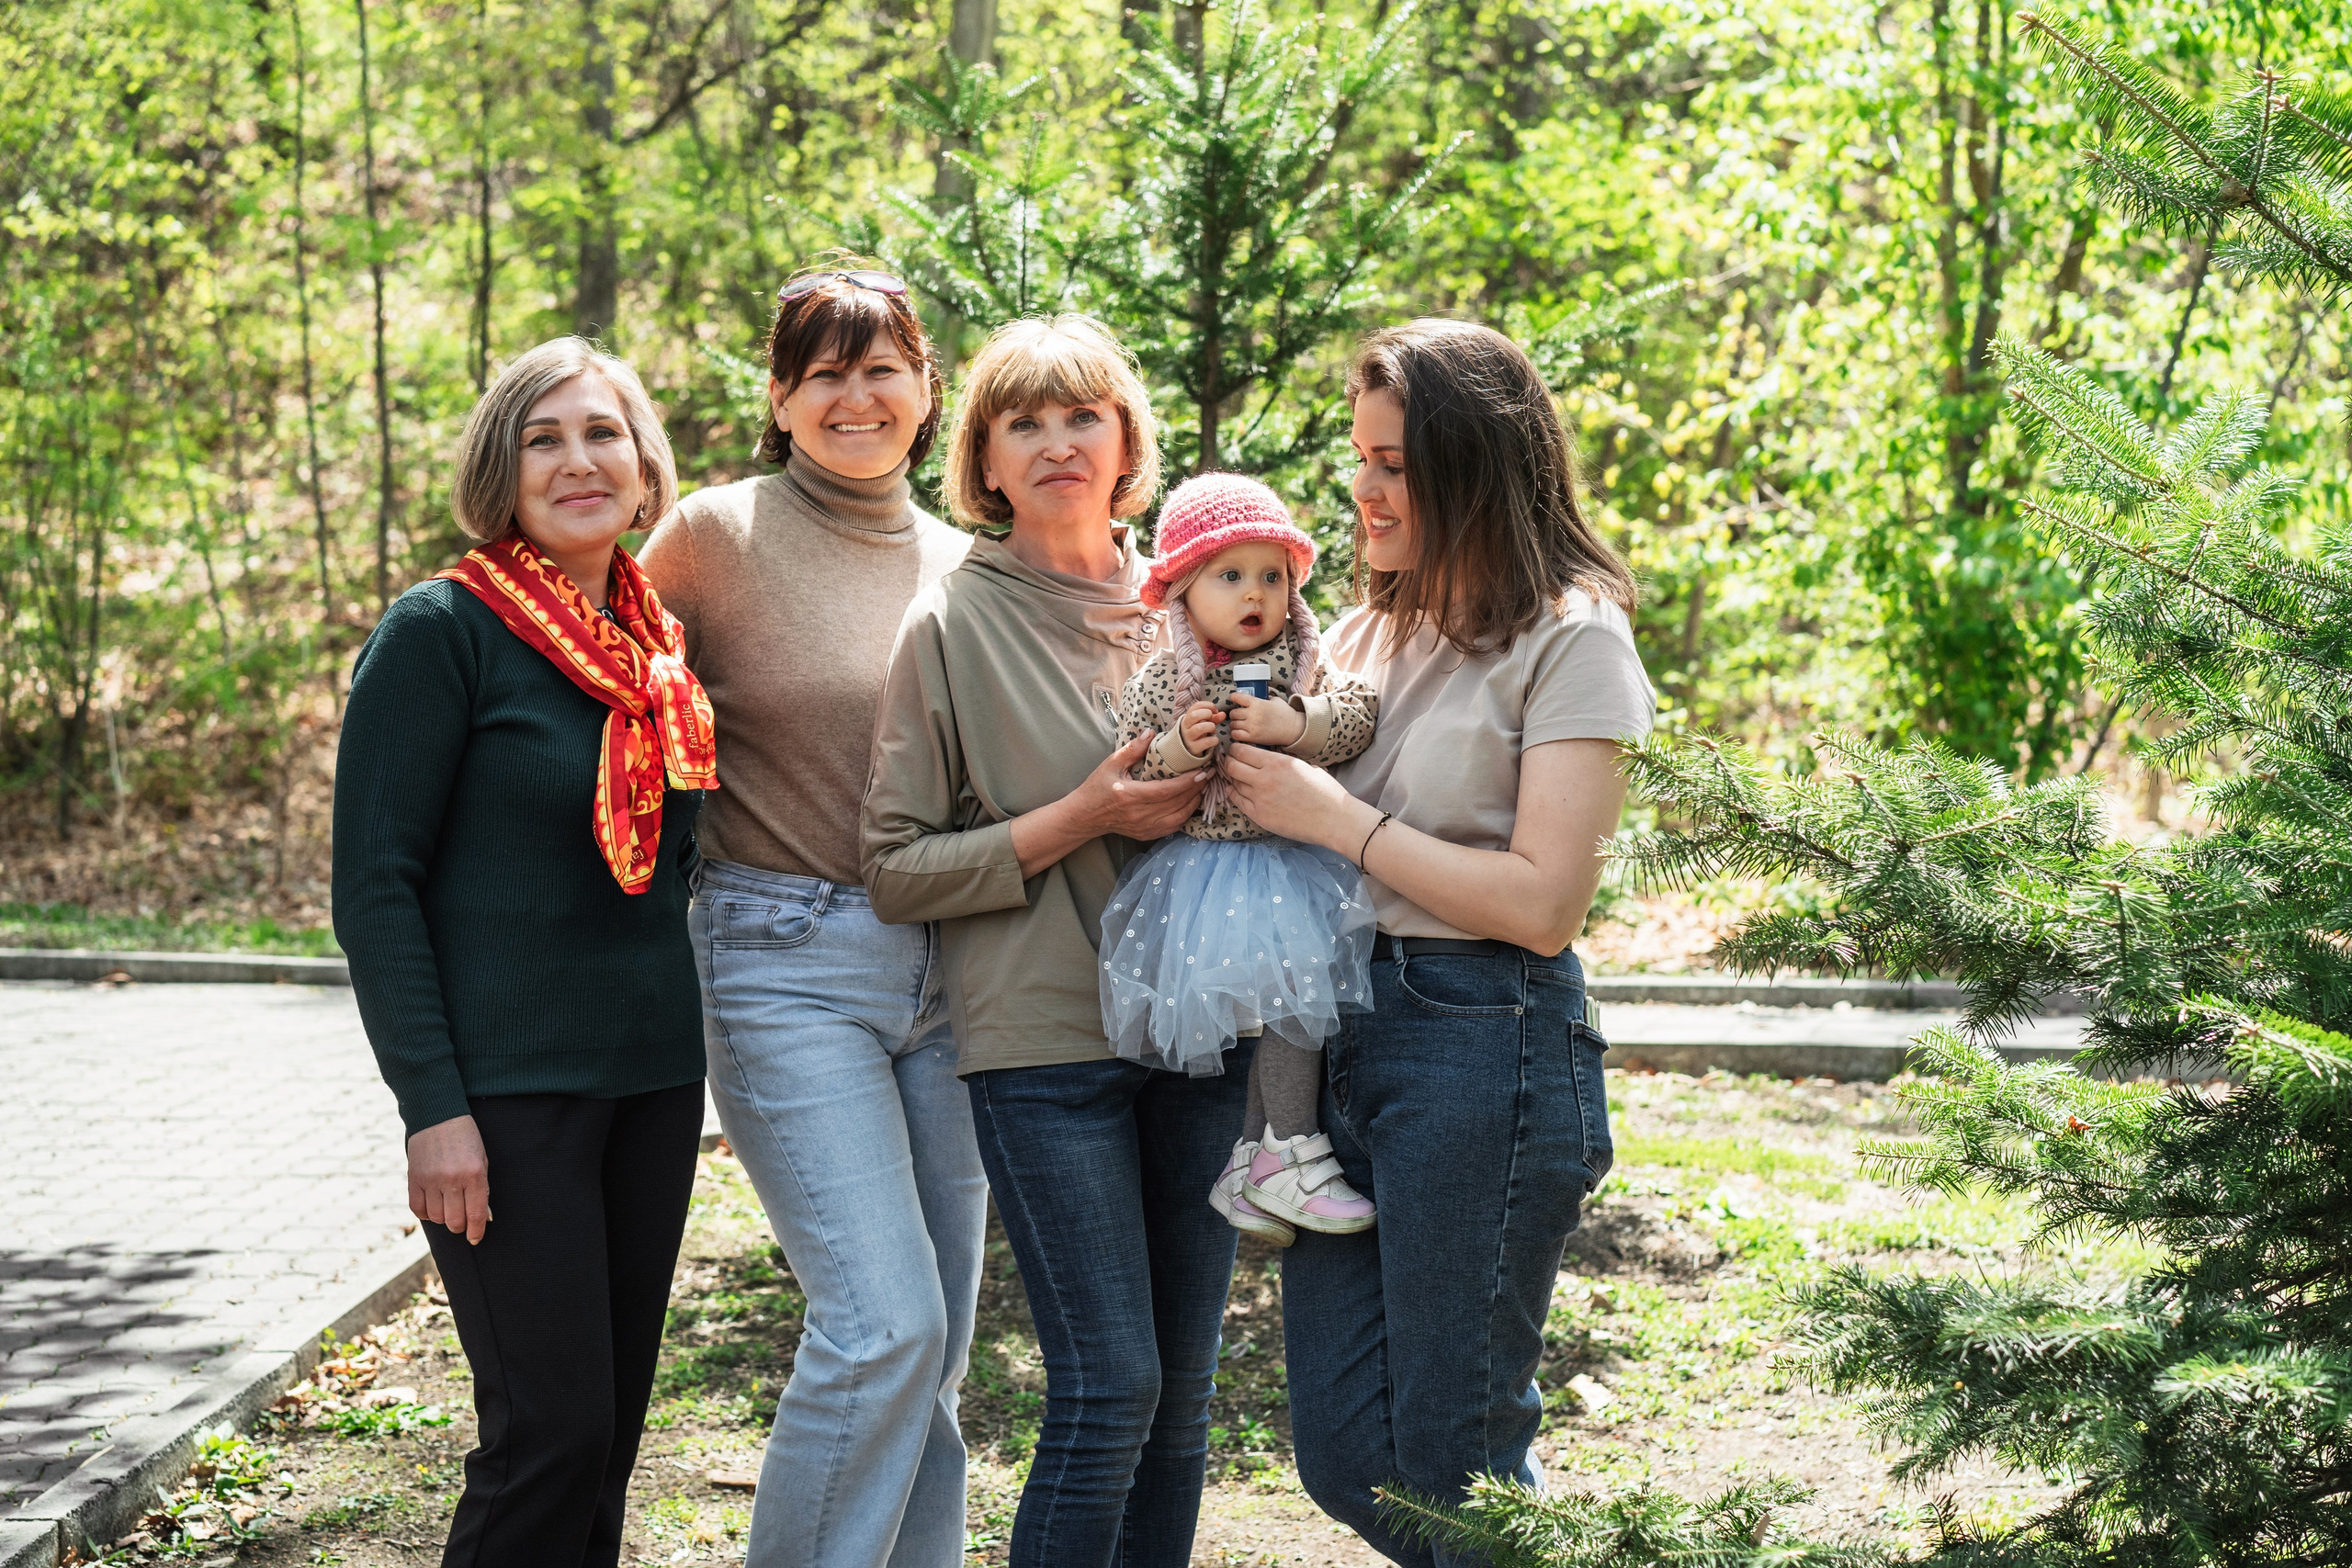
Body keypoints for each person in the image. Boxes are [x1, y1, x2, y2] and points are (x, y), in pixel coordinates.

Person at [1220, 319, 1655, 1565]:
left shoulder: (1573, 637)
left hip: (1488, 1048)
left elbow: (1541, 902)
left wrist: (1335, 820)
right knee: (1347, 1449)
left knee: (1458, 1460)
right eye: (1359, 456)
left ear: (1478, 466)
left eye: (1397, 463)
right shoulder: (1355, 637)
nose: (1363, 487)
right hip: (1334, 1048)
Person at [333, 337, 713, 1568]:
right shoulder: (442, 630)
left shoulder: (655, 652)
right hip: (506, 1096)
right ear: (503, 472)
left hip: (651, 1082)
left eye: (602, 432)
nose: (577, 460)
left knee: (604, 1438)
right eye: (543, 438)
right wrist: (431, 1110)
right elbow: (373, 889)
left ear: (644, 463)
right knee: (545, 1432)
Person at [860, 315, 1229, 1568]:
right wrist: (1087, 816)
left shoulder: (1207, 596)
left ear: (1128, 438)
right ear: (985, 458)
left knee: (1182, 1399)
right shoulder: (950, 625)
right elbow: (896, 868)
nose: (1060, 441)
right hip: (1044, 1049)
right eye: (1025, 420)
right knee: (1110, 1383)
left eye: (1085, 415)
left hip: (1208, 1039)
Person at [635, 264, 983, 1568]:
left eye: (881, 365)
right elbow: (603, 710)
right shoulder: (715, 537)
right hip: (783, 955)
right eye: (823, 370)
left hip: (955, 972)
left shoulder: (968, 561)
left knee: (937, 1338)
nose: (855, 394)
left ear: (924, 390)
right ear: (779, 398)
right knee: (880, 1321)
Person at [1096, 471, 1381, 1241]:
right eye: (1230, 576)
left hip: (1292, 860)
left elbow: (1359, 716)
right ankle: (1284, 1149)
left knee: (1298, 1006)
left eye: (1271, 575)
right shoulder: (1164, 678)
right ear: (1183, 590)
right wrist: (1173, 749)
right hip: (1205, 874)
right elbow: (1128, 758)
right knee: (1289, 1009)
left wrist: (1297, 723)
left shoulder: (1299, 663)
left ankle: (1258, 1159)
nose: (1255, 593)